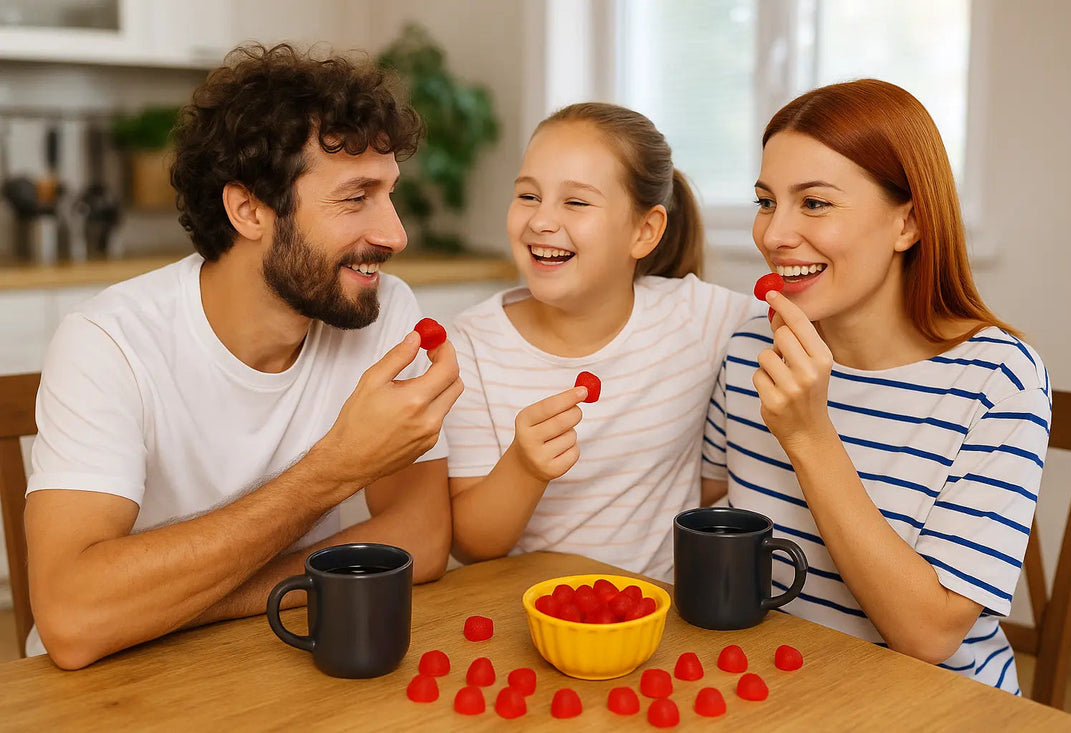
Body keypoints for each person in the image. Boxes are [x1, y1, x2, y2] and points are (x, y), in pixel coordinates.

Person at [24, 44, 463, 669]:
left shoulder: (379, 308)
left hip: (273, 655)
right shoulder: (107, 343)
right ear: (249, 209)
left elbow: (421, 537)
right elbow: (71, 619)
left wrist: (164, 604)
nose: (395, 234)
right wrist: (335, 469)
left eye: (389, 193)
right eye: (355, 197)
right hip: (108, 687)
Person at [701, 79, 1050, 694]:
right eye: (765, 201)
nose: (774, 234)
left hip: (936, 706)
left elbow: (927, 636)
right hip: (779, 690)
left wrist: (809, 434)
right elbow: (710, 524)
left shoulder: (1000, 378)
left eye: (814, 203)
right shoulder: (750, 348)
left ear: (908, 223)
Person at [445, 103, 759, 581]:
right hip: (534, 613)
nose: (541, 221)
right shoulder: (468, 346)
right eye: (528, 195)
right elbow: (472, 546)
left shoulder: (695, 317)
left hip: (663, 617)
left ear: (644, 231)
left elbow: (817, 323)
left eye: (575, 202)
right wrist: (524, 468)